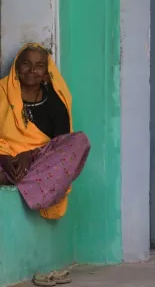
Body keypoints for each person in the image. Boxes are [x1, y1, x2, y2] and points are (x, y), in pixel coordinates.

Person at [0, 42, 90, 221]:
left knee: (80, 141)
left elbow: (60, 146)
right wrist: (3, 157)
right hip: (5, 161)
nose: (32, 70)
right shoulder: (2, 92)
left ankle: (16, 179)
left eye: (39, 65)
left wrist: (31, 155)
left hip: (38, 166)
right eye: (26, 63)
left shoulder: (55, 102)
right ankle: (21, 180)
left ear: (46, 73)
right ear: (17, 67)